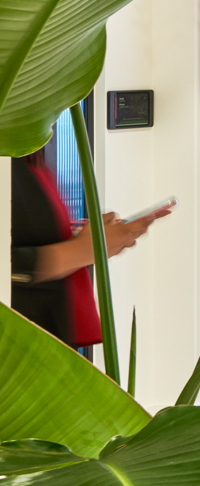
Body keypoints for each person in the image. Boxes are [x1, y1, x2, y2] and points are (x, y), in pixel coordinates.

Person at [10, 140, 171, 350]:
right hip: (18, 343)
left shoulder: (28, 151)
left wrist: (86, 240)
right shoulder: (12, 157)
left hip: (46, 338)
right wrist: (81, 251)